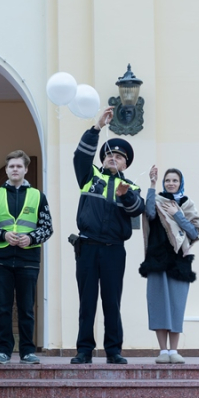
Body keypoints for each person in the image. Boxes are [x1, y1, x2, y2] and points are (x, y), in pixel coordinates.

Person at [71, 106, 145, 365]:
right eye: (110, 155)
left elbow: (139, 209)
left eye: (120, 157)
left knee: (112, 302)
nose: (114, 158)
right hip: (88, 247)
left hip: (114, 249)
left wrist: (127, 196)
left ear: (126, 163)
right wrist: (96, 128)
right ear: (102, 159)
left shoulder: (132, 187)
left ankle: (113, 350)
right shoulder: (89, 177)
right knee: (87, 301)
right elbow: (80, 157)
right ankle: (84, 350)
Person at [0, 150, 53, 365]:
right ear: (6, 170)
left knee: (26, 307)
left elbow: (47, 227)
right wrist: (3, 234)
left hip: (28, 260)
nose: (15, 169)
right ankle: (3, 350)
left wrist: (30, 238)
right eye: (11, 166)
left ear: (25, 170)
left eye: (18, 166)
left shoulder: (38, 196)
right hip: (1, 258)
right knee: (2, 307)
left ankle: (27, 351)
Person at [140, 166, 199, 364]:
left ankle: (174, 350)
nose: (171, 183)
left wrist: (177, 214)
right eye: (167, 180)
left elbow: (194, 232)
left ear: (180, 183)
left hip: (179, 262)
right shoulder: (158, 200)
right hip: (157, 259)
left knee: (176, 305)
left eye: (175, 180)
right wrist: (151, 184)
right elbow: (149, 213)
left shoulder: (187, 204)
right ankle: (163, 351)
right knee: (159, 305)